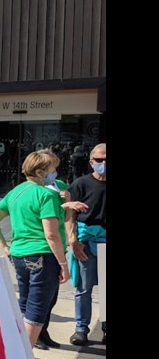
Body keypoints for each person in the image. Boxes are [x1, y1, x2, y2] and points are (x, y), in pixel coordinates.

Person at [0, 151, 70, 359]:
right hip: (43, 254)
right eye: (52, 169)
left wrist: (5, 246)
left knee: (25, 305)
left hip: (20, 254)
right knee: (37, 309)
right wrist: (63, 264)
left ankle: (17, 352)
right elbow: (52, 235)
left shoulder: (17, 191)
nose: (55, 173)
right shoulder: (46, 195)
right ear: (41, 172)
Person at [67, 143, 107, 346]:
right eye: (100, 160)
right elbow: (70, 215)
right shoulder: (80, 184)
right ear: (91, 162)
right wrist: (73, 240)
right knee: (84, 288)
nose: (104, 163)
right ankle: (81, 329)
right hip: (85, 241)